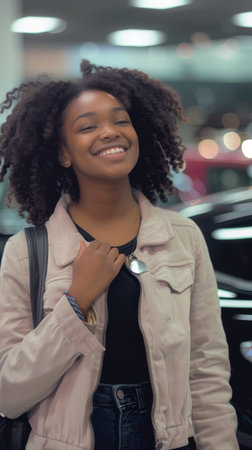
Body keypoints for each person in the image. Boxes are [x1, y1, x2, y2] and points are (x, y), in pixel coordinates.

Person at [0, 60, 238, 450]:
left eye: (120, 121)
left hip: (169, 439)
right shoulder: (27, 252)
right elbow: (8, 393)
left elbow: (207, 371)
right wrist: (76, 301)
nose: (110, 132)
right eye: (88, 126)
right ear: (63, 152)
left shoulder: (182, 237)